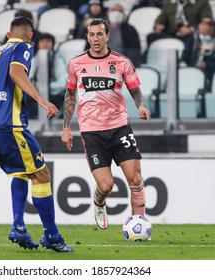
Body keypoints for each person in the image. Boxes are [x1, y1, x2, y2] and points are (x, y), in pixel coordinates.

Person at [0, 16, 73, 252]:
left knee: (22, 172)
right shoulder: (23, 46)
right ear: (30, 35)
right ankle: (52, 236)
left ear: (7, 34)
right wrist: (43, 101)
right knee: (42, 174)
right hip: (10, 124)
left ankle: (19, 227)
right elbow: (15, 73)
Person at [61, 18, 151, 230]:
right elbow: (70, 96)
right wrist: (66, 127)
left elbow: (134, 89)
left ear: (107, 36)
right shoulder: (76, 63)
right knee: (106, 185)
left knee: (135, 179)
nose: (95, 39)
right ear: (87, 37)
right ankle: (99, 202)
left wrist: (141, 106)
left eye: (99, 34)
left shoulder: (122, 62)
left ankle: (140, 223)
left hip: (119, 127)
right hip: (92, 131)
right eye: (91, 35)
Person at [180, 20, 215, 87]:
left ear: (213, 30)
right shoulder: (193, 37)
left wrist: (207, 65)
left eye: (206, 34)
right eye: (202, 34)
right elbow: (186, 53)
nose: (203, 36)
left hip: (214, 70)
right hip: (194, 68)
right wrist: (183, 62)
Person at [29, 33, 67, 117]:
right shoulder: (33, 60)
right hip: (36, 95)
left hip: (53, 93)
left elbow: (62, 83)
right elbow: (28, 78)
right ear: (38, 44)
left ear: (53, 44)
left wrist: (46, 88)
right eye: (42, 41)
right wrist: (36, 88)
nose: (45, 43)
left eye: (48, 41)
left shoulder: (59, 59)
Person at [147, 0, 213, 47]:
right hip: (171, 34)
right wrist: (158, 25)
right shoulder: (169, 2)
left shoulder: (202, 2)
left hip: (190, 35)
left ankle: (184, 62)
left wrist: (190, 29)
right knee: (151, 36)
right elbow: (161, 18)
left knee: (190, 39)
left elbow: (207, 23)